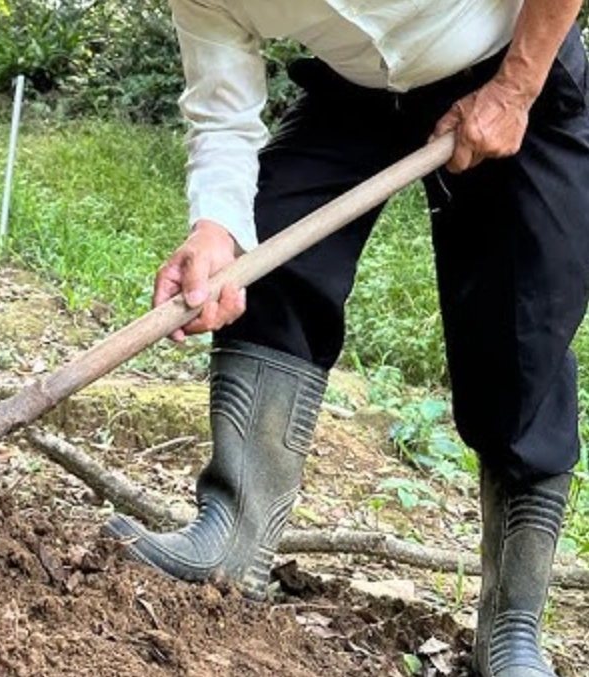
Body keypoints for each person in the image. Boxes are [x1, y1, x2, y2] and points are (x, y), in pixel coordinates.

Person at [103, 2, 589, 676]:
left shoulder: (516, 76)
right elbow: (221, 104)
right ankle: (234, 541)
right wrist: (216, 227)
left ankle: (512, 624)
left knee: (521, 331)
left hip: (513, 61)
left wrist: (514, 88)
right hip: (356, 89)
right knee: (269, 249)